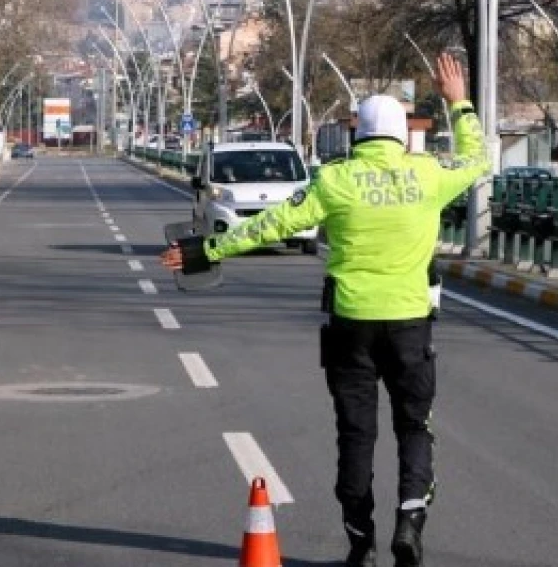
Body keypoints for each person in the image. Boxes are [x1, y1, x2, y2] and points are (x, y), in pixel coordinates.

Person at [162, 53, 489, 567]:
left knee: (356, 434)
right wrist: (459, 102)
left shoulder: (335, 181)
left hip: (350, 326)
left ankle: (361, 541)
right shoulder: (428, 176)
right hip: (410, 325)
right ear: (402, 137)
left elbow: (270, 225)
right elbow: (477, 159)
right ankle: (410, 518)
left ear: (358, 136)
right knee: (415, 427)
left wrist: (206, 249)